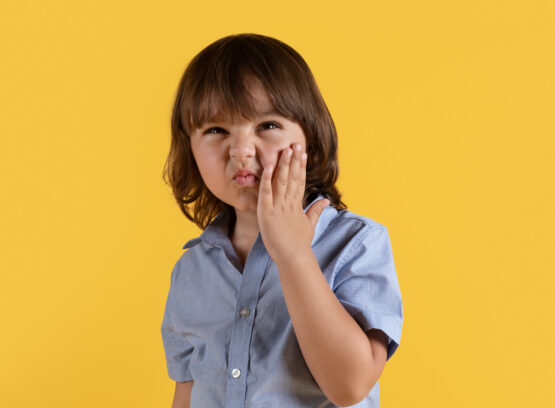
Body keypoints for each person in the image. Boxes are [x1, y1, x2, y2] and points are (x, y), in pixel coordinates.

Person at [161, 33, 404, 408]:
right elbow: (188, 391)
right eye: (216, 130)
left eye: (268, 126)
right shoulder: (192, 270)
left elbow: (350, 385)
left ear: (310, 136)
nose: (241, 151)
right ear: (189, 148)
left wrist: (293, 254)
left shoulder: (355, 243)